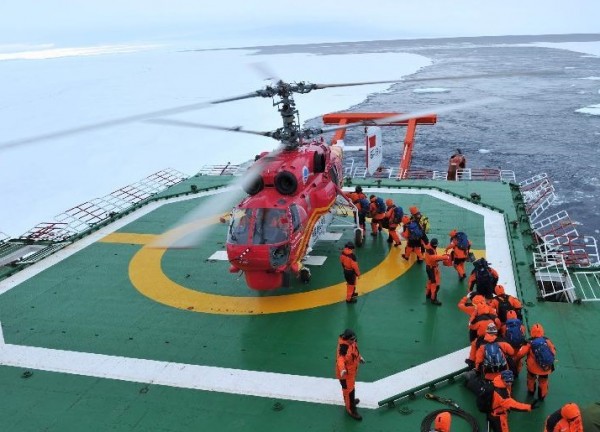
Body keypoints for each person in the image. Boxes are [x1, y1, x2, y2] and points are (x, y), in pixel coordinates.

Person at [516, 323, 557, 401]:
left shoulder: (530, 342)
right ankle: (542, 396)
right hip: (545, 367)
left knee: (531, 379)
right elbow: (553, 352)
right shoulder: (547, 341)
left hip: (532, 368)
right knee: (543, 382)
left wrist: (517, 360)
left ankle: (531, 392)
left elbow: (521, 353)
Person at [336, 329, 365, 421]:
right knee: (349, 392)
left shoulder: (352, 343)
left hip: (351, 373)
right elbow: (340, 360)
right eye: (352, 339)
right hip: (345, 375)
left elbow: (355, 352)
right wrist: (342, 370)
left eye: (354, 338)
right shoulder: (343, 348)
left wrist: (360, 358)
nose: (354, 340)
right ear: (347, 339)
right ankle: (351, 410)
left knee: (351, 389)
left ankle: (350, 402)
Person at [424, 238, 447, 305]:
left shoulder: (429, 247)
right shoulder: (431, 250)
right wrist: (444, 257)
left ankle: (428, 294)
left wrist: (440, 259)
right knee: (436, 285)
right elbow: (433, 258)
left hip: (429, 267)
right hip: (432, 269)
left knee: (430, 281)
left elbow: (433, 258)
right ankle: (433, 299)